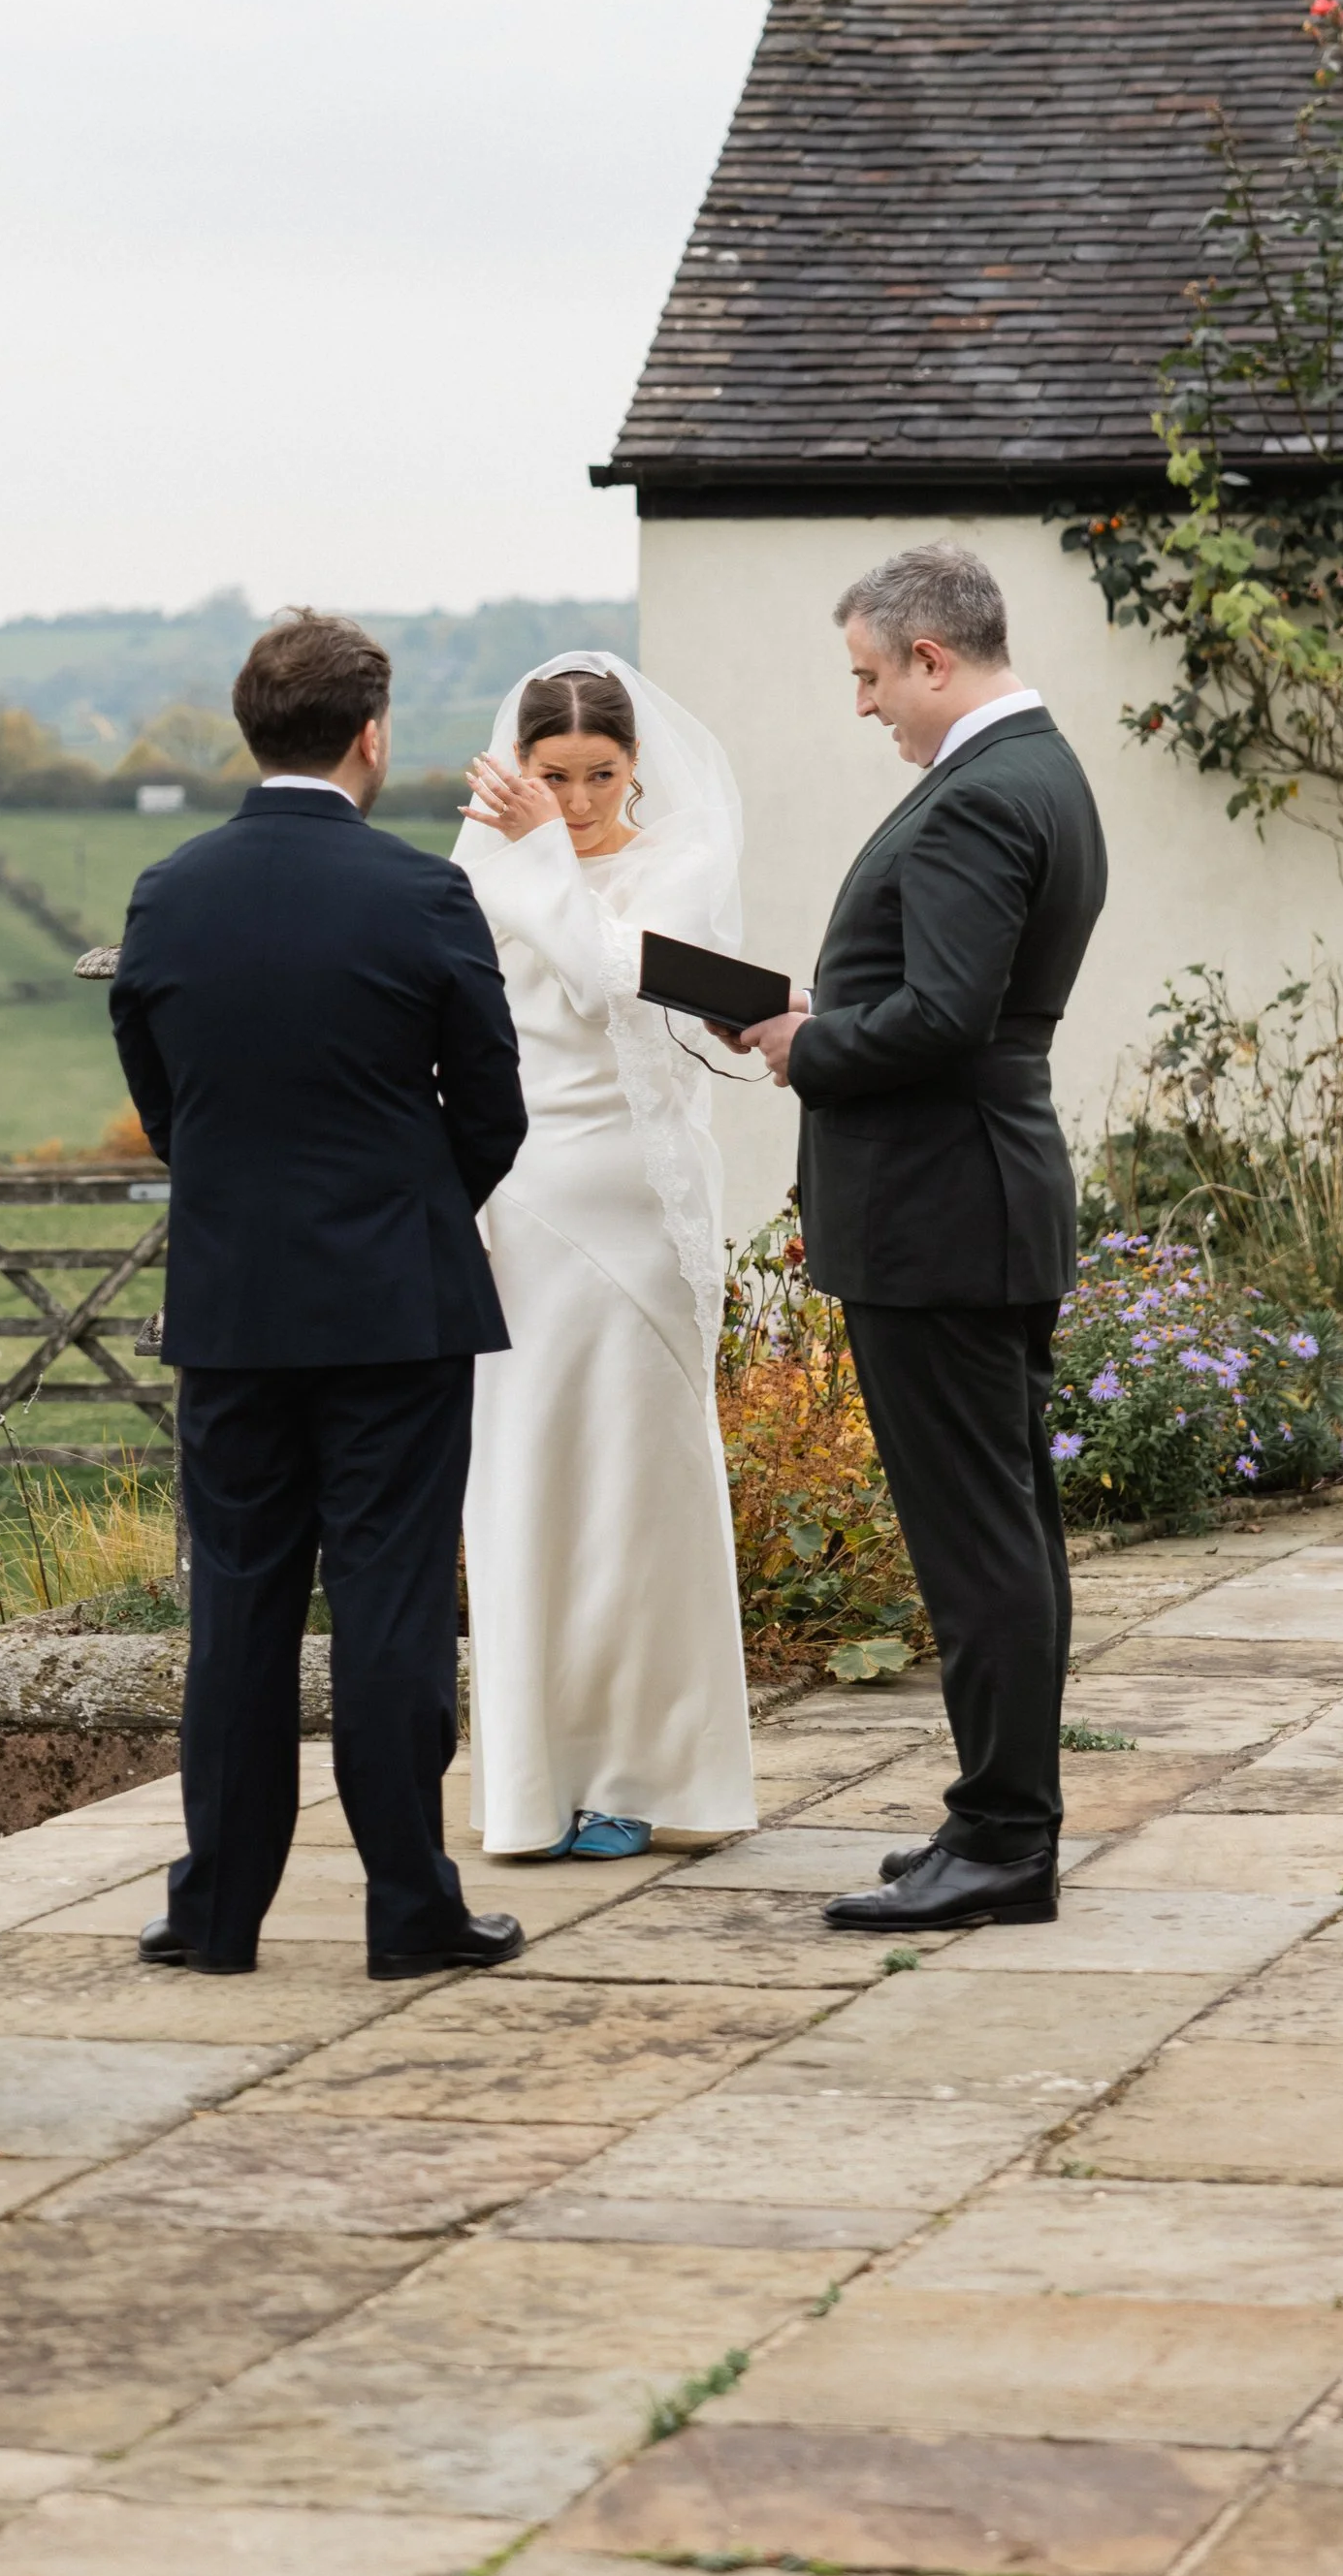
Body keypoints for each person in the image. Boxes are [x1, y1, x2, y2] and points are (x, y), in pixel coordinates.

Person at [109, 608, 530, 1978]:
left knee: (237, 1608)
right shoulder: (419, 894)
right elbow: (494, 1107)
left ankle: (215, 1914)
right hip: (397, 1306)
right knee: (389, 1606)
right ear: (371, 735)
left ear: (253, 731)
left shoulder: (169, 893)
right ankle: (409, 1908)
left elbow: (166, 1106)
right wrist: (410, 1210)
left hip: (234, 1304)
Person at [736, 543, 1106, 1935]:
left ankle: (1006, 1841)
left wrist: (808, 1042)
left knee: (978, 1542)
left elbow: (947, 1017)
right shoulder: (1038, 769)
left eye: (870, 675)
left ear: (931, 659)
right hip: (980, 1194)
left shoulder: (979, 795)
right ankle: (998, 1814)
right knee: (1007, 1527)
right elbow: (959, 998)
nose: (864, 704)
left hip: (942, 1210)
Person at [454, 656, 758, 1860]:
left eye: (600, 775)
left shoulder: (679, 858)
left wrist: (533, 854)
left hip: (636, 1201)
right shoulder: (483, 864)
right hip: (520, 1200)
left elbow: (601, 975)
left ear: (635, 766)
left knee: (640, 1486)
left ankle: (644, 1771)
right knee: (524, 1478)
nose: (576, 802)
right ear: (519, 767)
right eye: (553, 777)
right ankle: (534, 1781)